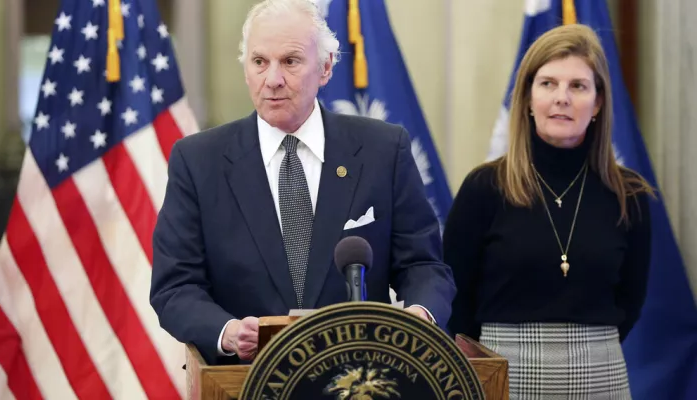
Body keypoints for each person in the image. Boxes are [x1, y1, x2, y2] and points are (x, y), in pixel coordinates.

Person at [150, 0, 455, 366]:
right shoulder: (198, 160)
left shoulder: (382, 150)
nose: (273, 79)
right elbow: (175, 286)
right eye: (259, 62)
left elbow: (423, 265)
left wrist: (420, 314)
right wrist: (226, 331)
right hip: (244, 377)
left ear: (325, 68)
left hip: (358, 376)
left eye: (290, 61)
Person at [444, 24, 653, 399]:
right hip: (502, 370)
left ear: (598, 102)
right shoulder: (484, 187)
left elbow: (631, 300)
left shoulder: (629, 194)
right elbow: (457, 296)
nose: (562, 98)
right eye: (548, 84)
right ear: (526, 98)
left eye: (577, 86)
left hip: (599, 371)